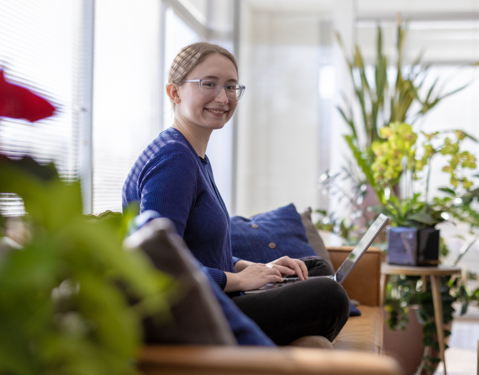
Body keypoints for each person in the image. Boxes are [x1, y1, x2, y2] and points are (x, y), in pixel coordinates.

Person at [123, 42, 349, 345]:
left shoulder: (193, 155)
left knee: (315, 268)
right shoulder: (173, 159)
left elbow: (193, 250)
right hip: (198, 313)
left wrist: (253, 267)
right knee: (327, 294)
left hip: (214, 294)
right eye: (209, 84)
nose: (223, 97)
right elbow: (162, 267)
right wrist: (239, 280)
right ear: (174, 93)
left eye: (231, 87)